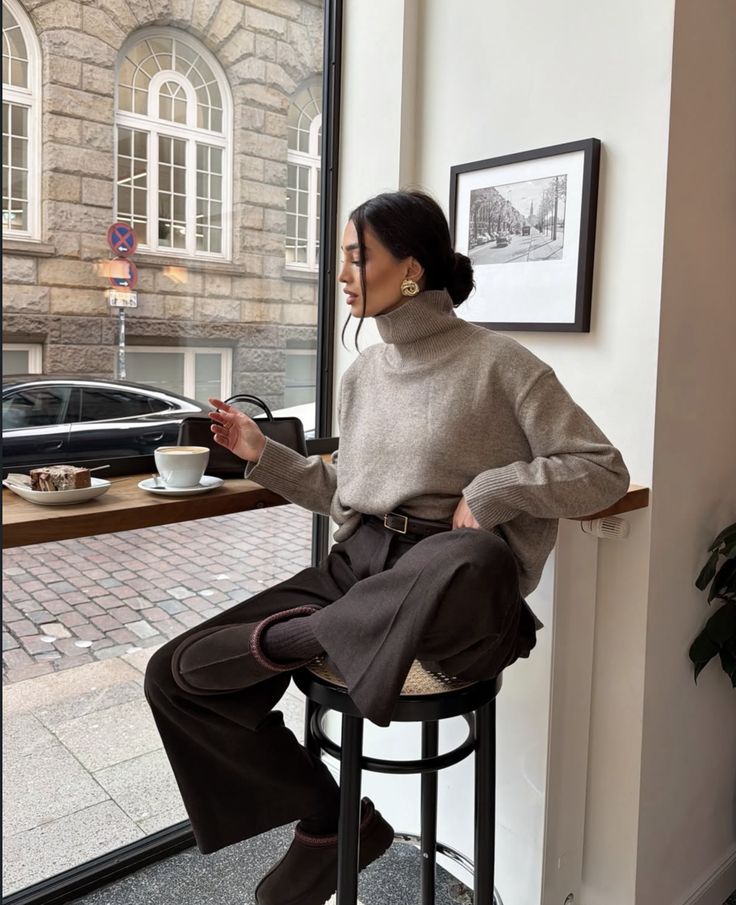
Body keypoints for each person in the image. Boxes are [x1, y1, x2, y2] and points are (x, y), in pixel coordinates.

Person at [144, 189, 630, 905]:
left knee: (477, 558)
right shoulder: (363, 374)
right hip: (358, 570)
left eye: (355, 254)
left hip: (449, 580)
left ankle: (303, 637)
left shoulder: (500, 363)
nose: (341, 271)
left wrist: (496, 490)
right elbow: (347, 494)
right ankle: (332, 822)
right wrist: (260, 453)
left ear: (409, 269)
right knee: (173, 675)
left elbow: (603, 470)